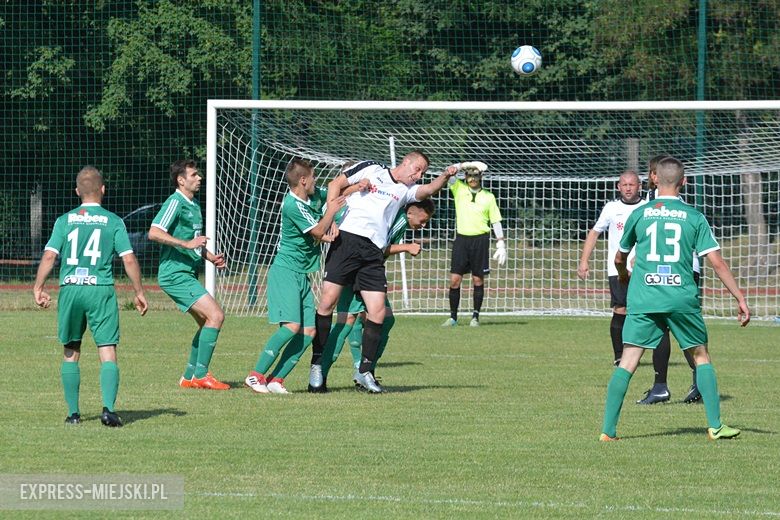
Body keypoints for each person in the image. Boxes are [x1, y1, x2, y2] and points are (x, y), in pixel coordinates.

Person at [600, 156, 750, 442]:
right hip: (681, 296)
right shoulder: (694, 217)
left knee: (628, 360)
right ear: (683, 182)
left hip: (645, 296)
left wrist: (623, 275)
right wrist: (739, 297)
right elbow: (716, 263)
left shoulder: (640, 214)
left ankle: (608, 431)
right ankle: (715, 426)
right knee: (701, 356)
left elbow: (620, 257)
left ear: (655, 179)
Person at [308, 151, 457, 393]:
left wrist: (445, 175)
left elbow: (429, 190)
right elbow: (336, 184)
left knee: (378, 312)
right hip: (346, 241)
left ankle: (365, 371)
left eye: (422, 173)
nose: (418, 175)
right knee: (327, 304)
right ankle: (316, 365)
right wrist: (331, 217)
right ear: (406, 162)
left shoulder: (407, 192)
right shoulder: (372, 168)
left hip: (373, 252)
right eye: (417, 169)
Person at [33, 166, 148, 427]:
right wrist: (139, 292)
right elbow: (128, 258)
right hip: (100, 289)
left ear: (77, 192)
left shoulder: (64, 220)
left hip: (71, 289)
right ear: (103, 190)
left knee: (71, 350)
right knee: (107, 349)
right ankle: (108, 410)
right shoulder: (113, 221)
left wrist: (38, 286)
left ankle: (74, 414)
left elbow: (50, 256)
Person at [243, 158, 347, 394]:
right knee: (292, 326)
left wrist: (358, 186)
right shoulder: (292, 205)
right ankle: (255, 375)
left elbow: (335, 192)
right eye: (313, 178)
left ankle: (276, 380)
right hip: (285, 271)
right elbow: (319, 231)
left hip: (302, 274)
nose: (315, 181)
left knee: (309, 331)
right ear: (303, 180)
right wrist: (331, 214)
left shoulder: (312, 196)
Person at [318, 199, 436, 391]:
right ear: (411, 212)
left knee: (381, 319)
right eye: (423, 220)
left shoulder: (400, 221)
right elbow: (379, 247)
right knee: (345, 323)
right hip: (357, 270)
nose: (423, 225)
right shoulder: (398, 219)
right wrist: (407, 247)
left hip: (361, 269)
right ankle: (325, 373)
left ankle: (363, 371)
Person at [148, 159, 229, 390]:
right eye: (194, 175)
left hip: (187, 273)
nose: (199, 178)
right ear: (181, 180)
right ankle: (202, 375)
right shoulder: (175, 202)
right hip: (174, 274)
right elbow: (154, 232)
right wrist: (186, 244)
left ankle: (189, 377)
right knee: (216, 316)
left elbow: (192, 241)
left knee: (206, 323)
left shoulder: (193, 205)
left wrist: (210, 256)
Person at [635, 154, 701, 405]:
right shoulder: (647, 203)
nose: (652, 176)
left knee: (678, 327)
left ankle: (698, 381)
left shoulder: (669, 203)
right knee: (659, 327)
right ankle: (661, 385)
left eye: (654, 172)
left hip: (680, 269)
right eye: (651, 172)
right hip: (658, 269)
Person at [578, 169, 643, 367]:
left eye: (632, 184)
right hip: (617, 269)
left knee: (643, 311)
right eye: (624, 184)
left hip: (643, 269)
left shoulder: (647, 207)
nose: (628, 188)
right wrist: (583, 261)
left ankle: (642, 351)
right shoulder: (611, 208)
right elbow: (594, 232)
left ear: (639, 186)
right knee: (620, 309)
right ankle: (618, 355)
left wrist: (639, 257)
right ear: (618, 187)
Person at [441, 161, 505, 327]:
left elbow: (496, 221)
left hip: (480, 240)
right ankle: (453, 317)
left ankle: (475, 317)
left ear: (481, 177)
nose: (472, 179)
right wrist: (465, 164)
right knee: (455, 280)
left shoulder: (489, 197)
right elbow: (448, 171)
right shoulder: (459, 189)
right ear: (466, 176)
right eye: (469, 175)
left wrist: (501, 243)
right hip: (462, 239)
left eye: (475, 175)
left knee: (478, 280)